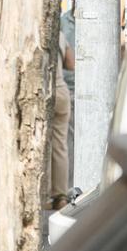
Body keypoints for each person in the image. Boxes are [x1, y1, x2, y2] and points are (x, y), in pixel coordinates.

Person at [46, 28, 74, 210]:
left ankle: (46, 196)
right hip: (62, 90)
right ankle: (61, 196)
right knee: (60, 145)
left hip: (43, 91)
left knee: (43, 145)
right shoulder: (60, 34)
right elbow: (71, 64)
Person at [59, 0, 76, 182]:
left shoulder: (105, 22)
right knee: (68, 140)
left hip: (96, 92)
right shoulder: (62, 22)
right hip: (69, 88)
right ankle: (72, 185)